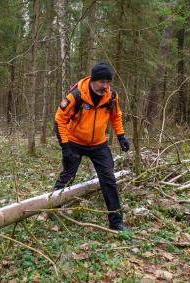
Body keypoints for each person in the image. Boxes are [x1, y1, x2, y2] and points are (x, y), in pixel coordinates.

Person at [54, 62, 130, 231]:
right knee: (67, 174)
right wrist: (65, 146)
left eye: (108, 82)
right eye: (102, 82)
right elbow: (59, 119)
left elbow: (115, 116)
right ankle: (53, 207)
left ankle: (116, 221)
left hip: (98, 144)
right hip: (74, 141)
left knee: (109, 179)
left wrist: (121, 136)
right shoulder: (76, 96)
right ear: (93, 80)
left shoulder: (111, 96)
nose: (105, 86)